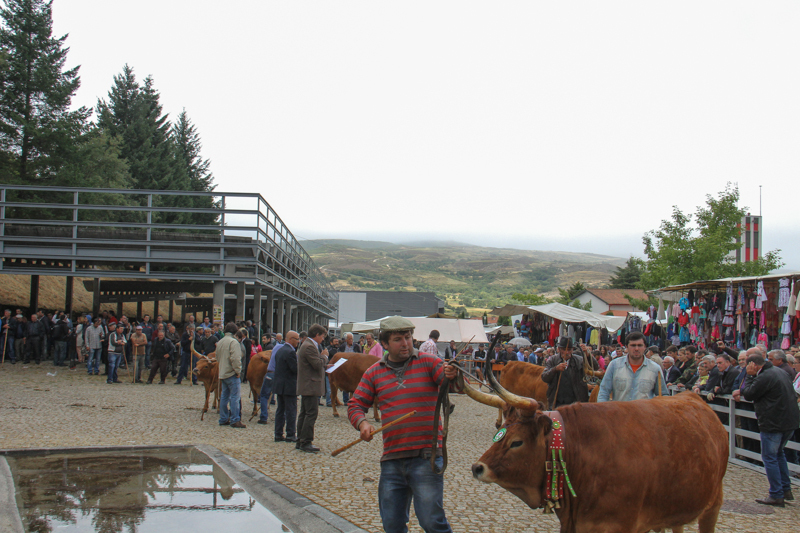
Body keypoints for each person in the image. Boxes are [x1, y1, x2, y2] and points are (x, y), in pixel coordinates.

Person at [348, 316, 459, 533]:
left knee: (432, 522)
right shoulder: (374, 372)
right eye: (398, 339)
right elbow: (355, 405)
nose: (405, 343)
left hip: (426, 456)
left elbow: (450, 381)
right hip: (392, 459)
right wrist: (362, 424)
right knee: (392, 524)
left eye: (408, 337)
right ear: (385, 344)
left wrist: (451, 374)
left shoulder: (429, 362)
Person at [736, 352, 800, 506]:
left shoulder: (764, 376)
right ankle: (785, 489)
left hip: (773, 422)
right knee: (779, 455)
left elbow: (749, 394)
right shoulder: (780, 372)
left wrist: (750, 376)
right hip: (788, 422)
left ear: (753, 365)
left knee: (770, 457)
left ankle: (776, 494)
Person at [598, 332, 667, 402]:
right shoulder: (614, 365)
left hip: (644, 412)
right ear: (626, 347)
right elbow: (604, 392)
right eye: (633, 345)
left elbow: (663, 396)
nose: (636, 349)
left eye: (640, 345)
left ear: (645, 347)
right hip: (620, 412)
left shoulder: (655, 369)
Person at [295, 324, 329, 453]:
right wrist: (324, 356)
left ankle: (300, 440)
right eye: (322, 336)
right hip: (310, 386)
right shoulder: (309, 346)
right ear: (317, 335)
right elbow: (316, 364)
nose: (323, 339)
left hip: (308, 385)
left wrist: (325, 363)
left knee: (304, 413)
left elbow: (315, 363)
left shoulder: (308, 345)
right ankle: (306, 441)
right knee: (310, 414)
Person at [541, 337, 592, 407]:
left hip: (576, 401)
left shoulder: (579, 360)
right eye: (564, 349)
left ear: (572, 350)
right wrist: (555, 369)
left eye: (569, 350)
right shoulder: (552, 360)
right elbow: (544, 377)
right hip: (557, 401)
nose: (567, 352)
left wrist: (588, 355)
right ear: (559, 349)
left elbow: (594, 367)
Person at [217, 322, 246, 428]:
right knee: (235, 397)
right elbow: (235, 358)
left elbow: (217, 356)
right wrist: (238, 371)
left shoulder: (220, 342)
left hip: (222, 372)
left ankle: (223, 418)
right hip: (232, 373)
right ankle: (235, 419)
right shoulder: (234, 342)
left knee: (224, 396)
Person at [273, 330, 300, 442]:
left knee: (280, 410)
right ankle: (290, 434)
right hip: (289, 386)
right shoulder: (290, 352)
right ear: (290, 339)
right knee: (291, 411)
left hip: (279, 385)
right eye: (297, 339)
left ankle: (278, 433)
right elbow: (295, 369)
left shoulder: (279, 350)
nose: (298, 342)